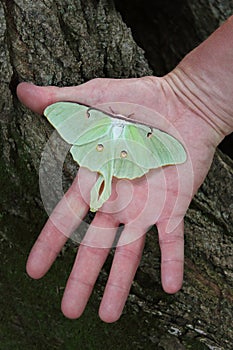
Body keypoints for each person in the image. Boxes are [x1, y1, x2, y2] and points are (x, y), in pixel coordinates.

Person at [17, 15, 233, 323]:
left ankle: (103, 185)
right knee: (106, 171)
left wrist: (200, 99)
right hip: (115, 144)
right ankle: (104, 184)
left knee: (107, 171)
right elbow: (64, 115)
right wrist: (199, 95)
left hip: (106, 142)